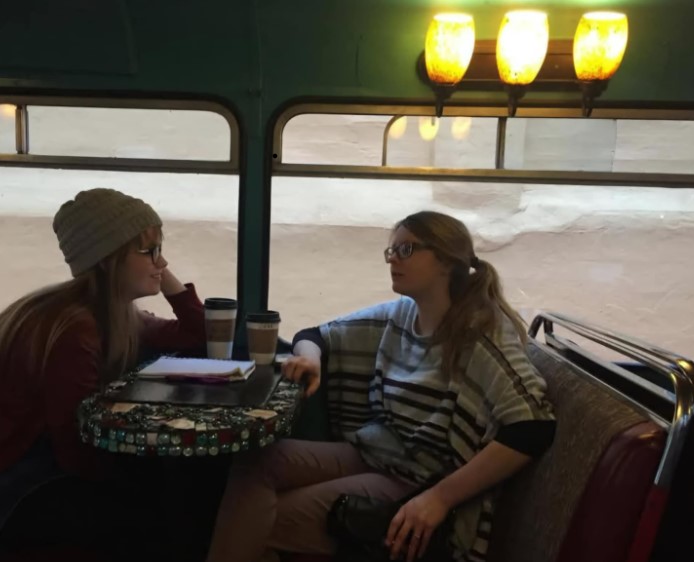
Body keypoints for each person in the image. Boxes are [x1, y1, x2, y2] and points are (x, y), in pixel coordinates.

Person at [205, 211, 556, 562]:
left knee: (258, 521)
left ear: (446, 262)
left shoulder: (479, 332)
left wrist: (439, 498)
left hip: (420, 478)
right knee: (255, 460)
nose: (392, 260)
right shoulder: (402, 315)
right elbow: (315, 335)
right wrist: (311, 360)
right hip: (379, 453)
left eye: (406, 249)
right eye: (391, 251)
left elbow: (533, 425)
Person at [0, 188, 225, 561]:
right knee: (158, 512)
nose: (161, 262)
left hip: (30, 465)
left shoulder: (113, 315)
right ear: (106, 260)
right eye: (148, 251)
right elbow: (75, 442)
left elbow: (200, 334)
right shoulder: (71, 327)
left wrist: (158, 268)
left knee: (171, 489)